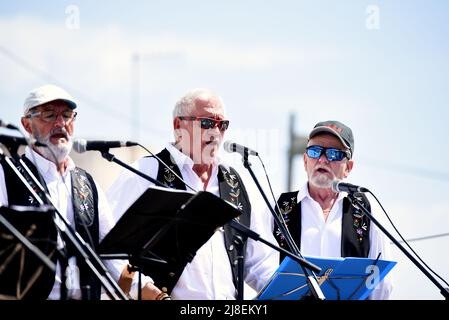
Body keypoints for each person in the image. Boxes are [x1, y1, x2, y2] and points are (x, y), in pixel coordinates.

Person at [107, 88, 279, 300]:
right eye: (206, 122)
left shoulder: (238, 184)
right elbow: (107, 248)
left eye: (221, 125)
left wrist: (291, 290)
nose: (215, 132)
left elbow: (260, 263)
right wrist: (142, 289)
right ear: (178, 126)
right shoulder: (144, 173)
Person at [0, 84, 162, 300]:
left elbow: (112, 257)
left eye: (67, 115)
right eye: (49, 115)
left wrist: (155, 295)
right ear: (26, 125)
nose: (60, 123)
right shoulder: (6, 174)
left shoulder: (86, 183)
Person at [271, 120, 393, 300]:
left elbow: (382, 285)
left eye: (334, 154)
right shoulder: (280, 207)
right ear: (305, 161)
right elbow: (261, 269)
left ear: (348, 168)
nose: (322, 159)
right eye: (314, 151)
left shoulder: (366, 208)